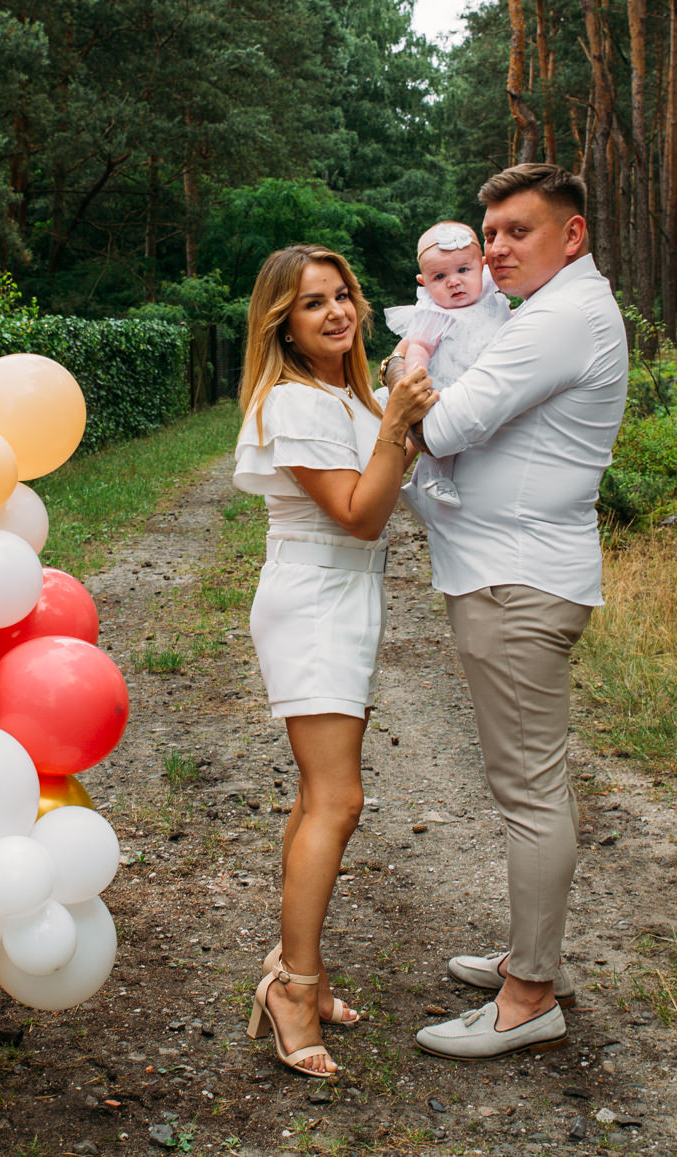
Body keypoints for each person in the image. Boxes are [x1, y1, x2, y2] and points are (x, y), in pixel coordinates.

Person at [386, 165, 628, 1061]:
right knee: (530, 781)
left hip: (516, 583)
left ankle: (529, 996)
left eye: (517, 231)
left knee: (527, 788)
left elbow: (443, 427)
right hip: (513, 575)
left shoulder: (558, 319)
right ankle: (530, 956)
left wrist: (404, 379)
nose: (494, 250)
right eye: (488, 235)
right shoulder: (551, 313)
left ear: (572, 233)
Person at [232, 244, 436, 1078]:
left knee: (318, 795)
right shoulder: (294, 402)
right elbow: (359, 513)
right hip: (314, 598)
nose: (337, 311)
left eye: (342, 293)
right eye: (312, 303)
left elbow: (383, 493)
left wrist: (391, 408)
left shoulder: (345, 396)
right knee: (339, 799)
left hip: (345, 597)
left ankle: (294, 967)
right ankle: (293, 988)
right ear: (283, 325)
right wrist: (395, 425)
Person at [383, 221, 514, 509]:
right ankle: (434, 478)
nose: (453, 281)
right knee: (440, 432)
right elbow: (420, 345)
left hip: (488, 378)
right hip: (447, 380)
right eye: (440, 276)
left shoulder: (492, 296)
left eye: (463, 270)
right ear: (424, 282)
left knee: (480, 440)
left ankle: (423, 486)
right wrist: (416, 373)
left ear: (482, 266)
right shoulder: (435, 312)